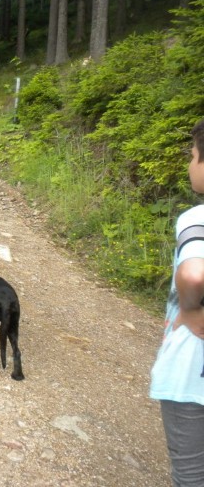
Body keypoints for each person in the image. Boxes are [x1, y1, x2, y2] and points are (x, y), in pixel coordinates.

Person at [149, 118, 204, 485]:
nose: (189, 163)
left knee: (191, 476)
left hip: (191, 373)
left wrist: (191, 310)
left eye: (193, 155)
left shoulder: (197, 219)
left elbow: (194, 273)